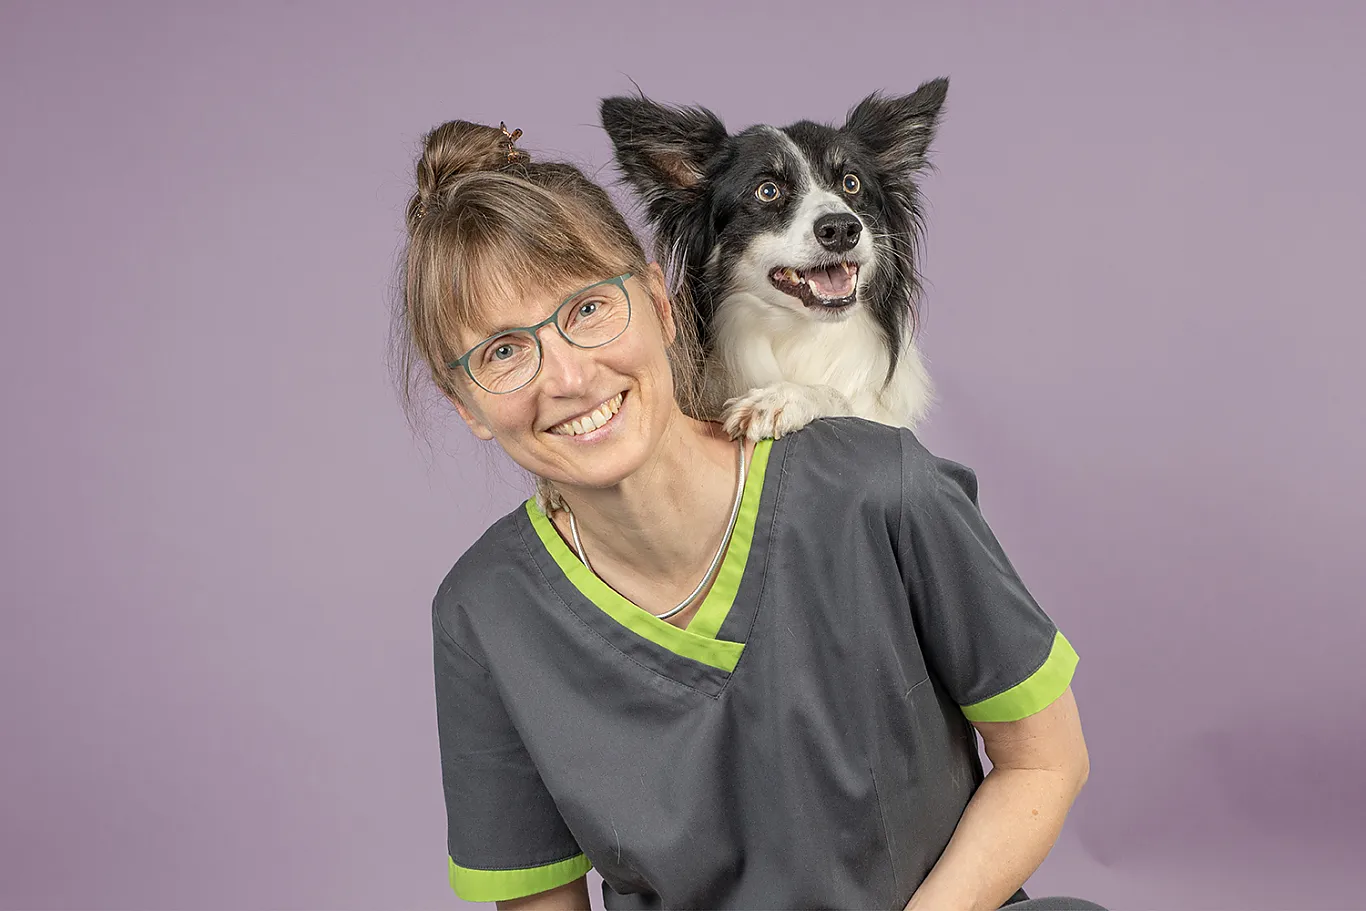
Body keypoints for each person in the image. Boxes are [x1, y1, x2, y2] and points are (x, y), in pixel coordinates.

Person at [393, 118, 1107, 911]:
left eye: (588, 308)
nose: (566, 376)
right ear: (465, 404)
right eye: (501, 352)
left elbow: (1046, 760)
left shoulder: (881, 488)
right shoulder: (486, 613)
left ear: (662, 306)